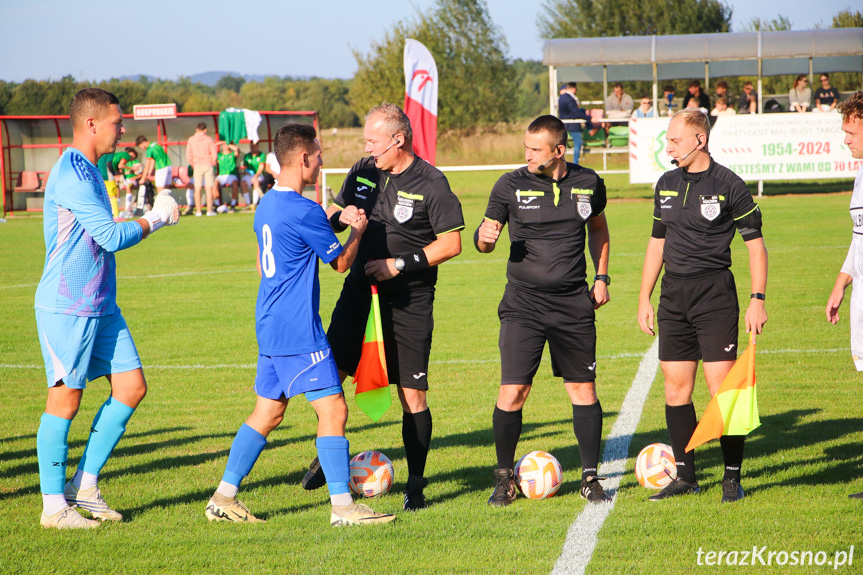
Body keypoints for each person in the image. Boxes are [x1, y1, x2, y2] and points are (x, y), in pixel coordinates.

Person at [204, 123, 395, 527]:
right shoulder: (304, 209)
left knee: (268, 412)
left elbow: (270, 258)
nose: (322, 160)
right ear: (304, 158)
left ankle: (223, 496)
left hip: (269, 323)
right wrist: (357, 230)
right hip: (298, 331)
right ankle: (343, 507)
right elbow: (341, 262)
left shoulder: (268, 205)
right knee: (334, 409)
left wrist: (331, 218)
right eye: (319, 154)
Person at [304, 103, 464, 511]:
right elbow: (333, 213)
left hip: (409, 302)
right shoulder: (363, 170)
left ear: (399, 139)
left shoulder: (432, 182)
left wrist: (396, 264)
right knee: (329, 381)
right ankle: (331, 455)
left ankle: (416, 486)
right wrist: (342, 213)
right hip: (358, 293)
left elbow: (451, 244)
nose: (367, 148)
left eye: (373, 141)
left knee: (413, 394)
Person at [34, 88, 179, 529]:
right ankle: (54, 508)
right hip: (68, 306)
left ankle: (85, 487)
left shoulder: (91, 170)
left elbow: (100, 231)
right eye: (117, 122)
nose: (123, 129)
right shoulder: (74, 174)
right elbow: (111, 238)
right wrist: (156, 217)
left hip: (100, 303)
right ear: (92, 124)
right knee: (65, 400)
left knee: (131, 387)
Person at [475, 115, 612, 506]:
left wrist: (601, 277)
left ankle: (590, 477)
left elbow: (598, 228)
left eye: (536, 149)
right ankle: (503, 479)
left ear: (559, 150)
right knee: (514, 389)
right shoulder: (509, 185)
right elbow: (485, 237)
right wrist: (484, 240)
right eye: (526, 147)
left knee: (582, 389)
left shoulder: (589, 182)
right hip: (523, 305)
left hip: (573, 304)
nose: (528, 155)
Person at [637, 109, 768, 504]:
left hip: (715, 296)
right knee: (676, 387)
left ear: (699, 140)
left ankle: (732, 476)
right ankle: (686, 476)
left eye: (674, 140)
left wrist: (757, 299)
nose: (668, 146)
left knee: (722, 391)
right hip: (673, 296)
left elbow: (756, 248)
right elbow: (657, 242)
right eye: (667, 140)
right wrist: (644, 296)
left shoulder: (730, 184)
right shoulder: (666, 183)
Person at [825, 91, 863, 501]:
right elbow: (860, 237)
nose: (845, 139)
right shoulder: (860, 175)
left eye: (850, 131)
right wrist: (843, 280)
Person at [185, 122, 217, 217]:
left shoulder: (191, 139)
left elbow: (188, 155)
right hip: (208, 164)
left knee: (197, 188)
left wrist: (193, 164)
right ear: (205, 130)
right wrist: (213, 161)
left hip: (197, 165)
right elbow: (214, 153)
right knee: (209, 188)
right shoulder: (208, 139)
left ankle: (198, 211)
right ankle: (209, 210)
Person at [135, 135, 172, 212]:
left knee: (160, 190)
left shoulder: (149, 150)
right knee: (166, 189)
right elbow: (153, 161)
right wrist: (149, 174)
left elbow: (147, 165)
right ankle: (168, 208)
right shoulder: (155, 145)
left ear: (143, 142)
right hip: (168, 166)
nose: (142, 148)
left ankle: (161, 210)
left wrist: (143, 178)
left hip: (161, 168)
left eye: (141, 146)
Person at [558, 82, 591, 164]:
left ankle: (560, 162)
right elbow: (576, 113)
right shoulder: (570, 99)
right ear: (574, 89)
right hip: (572, 124)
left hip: (564, 124)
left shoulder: (561, 97)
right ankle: (575, 164)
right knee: (578, 143)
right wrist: (589, 118)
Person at [215, 142, 241, 213]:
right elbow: (210, 149)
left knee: (235, 184)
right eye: (223, 145)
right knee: (214, 184)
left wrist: (228, 144)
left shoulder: (232, 154)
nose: (224, 146)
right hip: (221, 175)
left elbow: (237, 150)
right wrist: (220, 143)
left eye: (226, 144)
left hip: (231, 175)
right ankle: (217, 205)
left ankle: (233, 205)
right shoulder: (219, 155)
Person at [96, 151, 121, 222]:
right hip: (108, 176)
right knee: (113, 196)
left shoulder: (100, 151)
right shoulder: (109, 152)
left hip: (100, 176)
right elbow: (109, 164)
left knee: (103, 196)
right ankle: (116, 216)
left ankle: (104, 215)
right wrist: (115, 174)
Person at [241, 141, 266, 210]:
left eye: (254, 146)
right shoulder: (247, 156)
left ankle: (254, 203)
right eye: (251, 146)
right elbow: (245, 168)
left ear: (257, 146)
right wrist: (247, 172)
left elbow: (261, 168)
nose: (252, 148)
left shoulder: (261, 155)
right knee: (242, 183)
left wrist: (255, 176)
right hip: (250, 175)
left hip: (259, 175)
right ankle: (248, 203)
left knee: (256, 182)